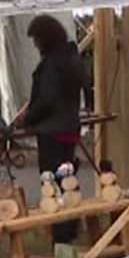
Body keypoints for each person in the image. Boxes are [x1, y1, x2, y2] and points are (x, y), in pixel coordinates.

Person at [19, 14, 87, 244]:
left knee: (51, 183)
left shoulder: (51, 65)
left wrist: (28, 119)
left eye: (37, 40)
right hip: (69, 127)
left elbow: (46, 100)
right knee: (67, 177)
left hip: (51, 130)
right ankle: (71, 226)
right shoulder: (72, 58)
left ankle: (61, 234)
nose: (36, 45)